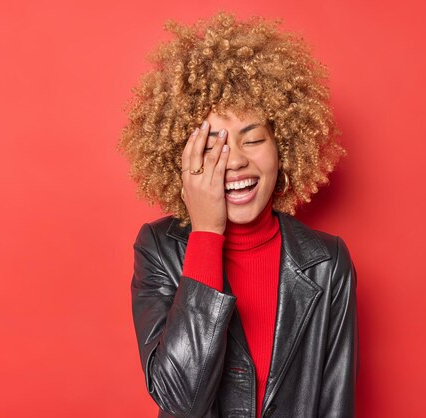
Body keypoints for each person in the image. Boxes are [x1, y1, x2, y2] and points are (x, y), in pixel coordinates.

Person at [118, 11, 358, 418]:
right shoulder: (158, 249)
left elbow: (336, 404)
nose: (235, 162)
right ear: (182, 156)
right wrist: (207, 233)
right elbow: (180, 401)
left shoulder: (327, 263)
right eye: (213, 145)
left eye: (253, 139)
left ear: (283, 146)